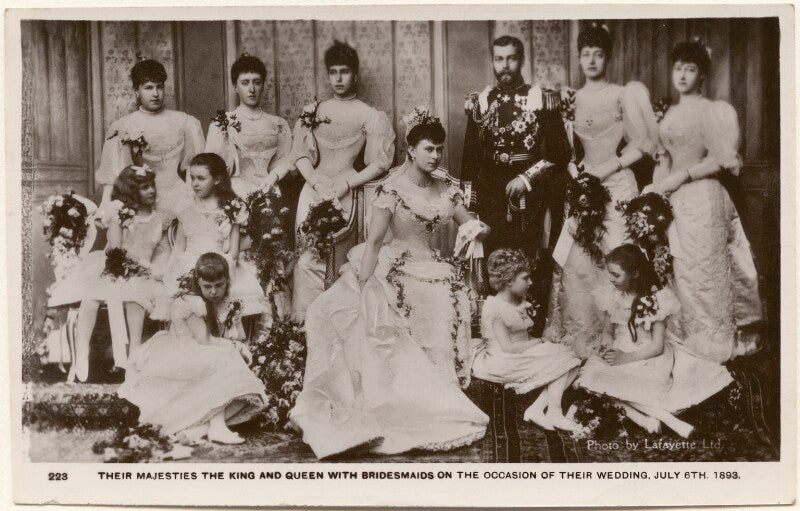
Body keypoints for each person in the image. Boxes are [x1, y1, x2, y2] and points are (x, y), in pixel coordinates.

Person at [289, 109, 489, 459]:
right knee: (372, 308)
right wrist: (364, 282)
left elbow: (466, 219)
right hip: (393, 265)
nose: (436, 156)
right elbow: (375, 243)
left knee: (449, 293)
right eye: (429, 149)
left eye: (439, 149)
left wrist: (478, 227)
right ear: (411, 150)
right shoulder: (391, 189)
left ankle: (441, 390)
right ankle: (405, 397)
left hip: (431, 263)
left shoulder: (446, 186)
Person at [641, 41, 762, 363]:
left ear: (702, 75)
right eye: (678, 67)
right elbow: (663, 156)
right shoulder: (669, 112)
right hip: (673, 200)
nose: (682, 75)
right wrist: (655, 192)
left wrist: (680, 178)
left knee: (703, 272)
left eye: (690, 69)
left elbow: (719, 160)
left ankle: (711, 340)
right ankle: (680, 338)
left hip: (703, 195)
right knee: (678, 268)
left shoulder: (713, 110)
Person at [549, 23, 659, 356]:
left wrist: (607, 169)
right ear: (579, 59)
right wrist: (575, 171)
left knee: (619, 253)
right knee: (579, 259)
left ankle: (626, 337)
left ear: (607, 58)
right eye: (586, 54)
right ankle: (584, 335)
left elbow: (642, 145)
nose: (592, 60)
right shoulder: (570, 97)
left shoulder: (623, 93)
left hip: (617, 182)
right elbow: (564, 148)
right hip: (586, 186)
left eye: (599, 54)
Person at [462, 35, 573, 336]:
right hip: (490, 194)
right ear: (493, 61)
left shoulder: (542, 99)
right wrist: (470, 207)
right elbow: (470, 159)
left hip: (530, 195)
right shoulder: (480, 102)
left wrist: (527, 178)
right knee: (492, 257)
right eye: (499, 59)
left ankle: (528, 331)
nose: (505, 65)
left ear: (521, 60)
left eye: (511, 58)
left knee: (527, 261)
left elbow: (560, 155)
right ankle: (494, 334)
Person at [574, 244, 733, 437]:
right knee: (590, 378)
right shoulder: (612, 296)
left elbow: (657, 346)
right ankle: (649, 419)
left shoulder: (656, 300)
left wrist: (627, 358)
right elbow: (608, 331)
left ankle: (664, 418)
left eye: (616, 275)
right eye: (610, 274)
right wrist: (606, 344)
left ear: (634, 273)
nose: (611, 279)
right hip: (619, 351)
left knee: (615, 385)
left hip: (646, 355)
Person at [291, 40, 395, 321]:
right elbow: (299, 155)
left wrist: (348, 184)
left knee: (338, 254)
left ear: (356, 75)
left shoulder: (369, 115)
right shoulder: (313, 112)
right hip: (314, 187)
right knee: (307, 256)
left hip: (348, 189)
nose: (338, 78)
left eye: (345, 71)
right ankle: (305, 322)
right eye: (333, 72)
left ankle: (338, 321)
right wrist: (315, 181)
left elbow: (380, 162)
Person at [120, 253, 267, 444]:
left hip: (201, 351)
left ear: (226, 281)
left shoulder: (228, 300)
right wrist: (235, 347)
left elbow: (233, 335)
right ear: (198, 282)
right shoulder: (188, 300)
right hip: (180, 352)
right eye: (207, 286)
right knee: (225, 359)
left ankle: (202, 429)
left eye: (219, 285)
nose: (213, 292)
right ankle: (216, 426)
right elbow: (205, 340)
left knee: (234, 373)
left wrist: (236, 338)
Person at [47, 166, 166, 381]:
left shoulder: (159, 218)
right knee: (91, 296)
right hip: (114, 264)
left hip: (141, 272)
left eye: (152, 186)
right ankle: (82, 352)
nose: (151, 191)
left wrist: (150, 267)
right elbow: (117, 248)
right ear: (131, 191)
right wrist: (138, 263)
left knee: (135, 298)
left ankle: (134, 358)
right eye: (144, 187)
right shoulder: (120, 213)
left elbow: (161, 250)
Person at [472, 249, 582, 431]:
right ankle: (554, 412)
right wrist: (540, 342)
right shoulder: (495, 308)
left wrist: (544, 341)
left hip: (519, 353)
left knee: (571, 359)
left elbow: (522, 337)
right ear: (508, 281)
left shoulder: (517, 302)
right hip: (502, 360)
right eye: (525, 278)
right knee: (564, 357)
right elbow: (508, 347)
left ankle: (538, 409)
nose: (530, 282)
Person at [153, 153, 267, 320]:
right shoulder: (186, 206)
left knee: (229, 288)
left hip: (220, 262)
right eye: (192, 178)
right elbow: (178, 247)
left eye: (201, 178)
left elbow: (234, 251)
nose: (195, 184)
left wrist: (217, 266)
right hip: (188, 262)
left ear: (217, 180)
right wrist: (169, 271)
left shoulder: (232, 207)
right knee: (182, 289)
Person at [95, 58, 204, 227]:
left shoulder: (184, 122)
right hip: (142, 199)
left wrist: (193, 198)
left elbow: (194, 166)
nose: (155, 93)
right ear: (136, 91)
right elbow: (113, 176)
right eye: (148, 88)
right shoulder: (123, 126)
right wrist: (104, 207)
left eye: (159, 86)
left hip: (179, 195)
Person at [205, 54, 295, 198]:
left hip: (270, 188)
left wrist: (272, 177)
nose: (252, 89)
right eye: (245, 83)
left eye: (257, 82)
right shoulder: (223, 122)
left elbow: (285, 160)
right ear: (235, 86)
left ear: (263, 85)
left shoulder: (278, 124)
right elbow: (213, 166)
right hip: (235, 191)